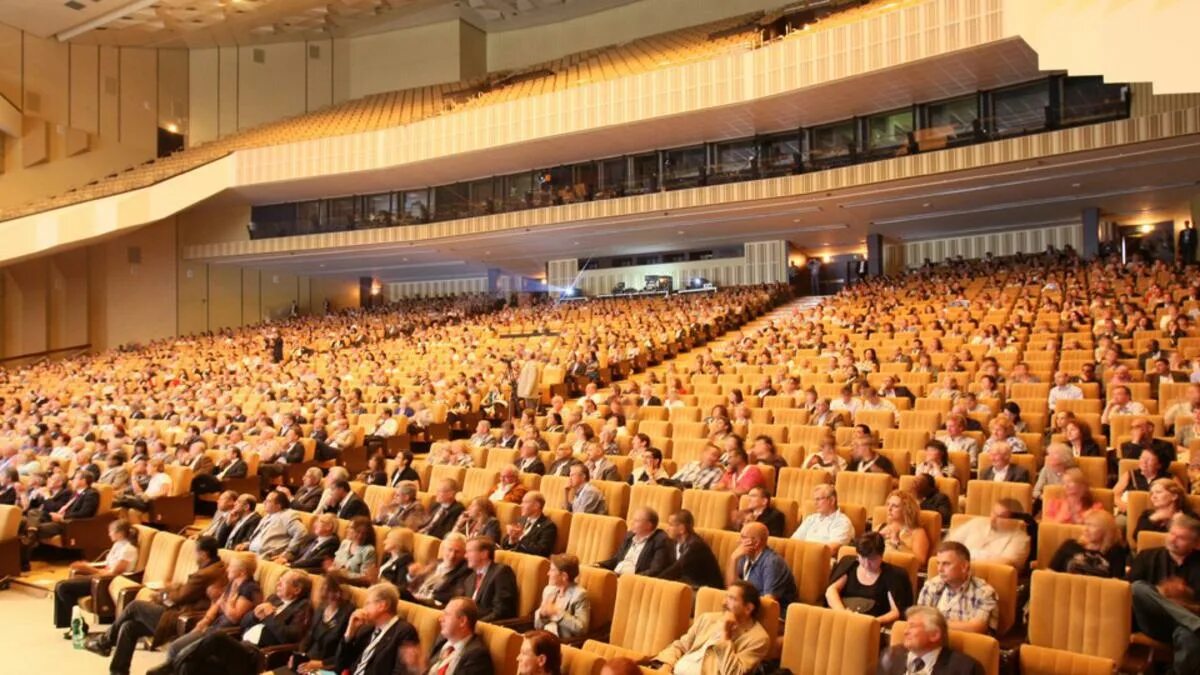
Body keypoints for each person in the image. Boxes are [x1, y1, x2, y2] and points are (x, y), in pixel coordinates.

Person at [85, 536, 227, 675]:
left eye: (195, 552)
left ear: (203, 554)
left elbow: (179, 597)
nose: (194, 555)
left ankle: (105, 642)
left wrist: (162, 596)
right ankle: (118, 670)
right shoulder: (216, 566)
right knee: (129, 627)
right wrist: (169, 591)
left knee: (135, 606)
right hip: (182, 610)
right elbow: (185, 591)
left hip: (181, 617)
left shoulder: (205, 574)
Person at [155, 555, 263, 671]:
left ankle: (168, 669)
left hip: (224, 635)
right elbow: (217, 604)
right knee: (176, 648)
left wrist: (224, 603)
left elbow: (234, 617)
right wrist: (206, 620)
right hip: (212, 628)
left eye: (231, 567)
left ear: (242, 572)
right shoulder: (233, 584)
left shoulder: (250, 588)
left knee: (178, 650)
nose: (227, 569)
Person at [1129, 514, 1200, 675]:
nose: (1173, 539)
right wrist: (1160, 595)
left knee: (1189, 637)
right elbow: (1125, 592)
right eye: (1172, 534)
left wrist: (1183, 603)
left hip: (1184, 626)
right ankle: (1197, 625)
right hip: (1152, 621)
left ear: (1196, 544)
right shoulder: (1147, 556)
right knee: (1138, 587)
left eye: (1181, 537)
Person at [650, 581, 771, 675]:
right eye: (726, 597)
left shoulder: (758, 639)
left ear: (748, 608)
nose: (724, 602)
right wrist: (667, 665)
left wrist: (726, 635)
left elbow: (733, 673)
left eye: (732, 599)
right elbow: (680, 645)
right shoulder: (708, 619)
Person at [52, 519, 138, 631]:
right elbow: (107, 564)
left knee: (64, 588)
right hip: (101, 576)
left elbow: (113, 573)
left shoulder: (129, 549)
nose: (109, 534)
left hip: (107, 581)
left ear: (120, 533)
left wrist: (88, 568)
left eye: (111, 531)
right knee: (59, 584)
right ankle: (70, 624)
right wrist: (88, 565)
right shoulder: (118, 545)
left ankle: (79, 625)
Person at [826, 532, 913, 627]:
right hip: (843, 619)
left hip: (874, 625)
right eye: (862, 558)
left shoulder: (893, 575)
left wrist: (871, 622)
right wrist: (843, 614)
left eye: (872, 559)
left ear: (881, 555)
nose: (866, 564)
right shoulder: (850, 565)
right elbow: (831, 591)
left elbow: (896, 612)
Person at [333, 582, 420, 675]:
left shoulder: (404, 632)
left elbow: (402, 673)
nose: (363, 608)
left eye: (367, 603)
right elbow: (340, 666)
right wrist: (349, 633)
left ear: (382, 605)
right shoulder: (367, 629)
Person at [917, 542, 999, 634]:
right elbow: (920, 620)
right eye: (938, 563)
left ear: (964, 566)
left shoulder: (984, 592)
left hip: (967, 645)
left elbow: (976, 629)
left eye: (946, 564)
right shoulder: (931, 585)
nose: (940, 569)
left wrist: (934, 623)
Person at [878, 606, 985, 675]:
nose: (905, 632)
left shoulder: (966, 668)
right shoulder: (891, 656)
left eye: (912, 626)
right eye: (906, 626)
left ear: (934, 635)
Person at [404, 597, 494, 675]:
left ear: (462, 621)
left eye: (446, 615)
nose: (440, 619)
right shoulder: (443, 641)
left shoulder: (477, 657)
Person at [289, 576, 352, 673]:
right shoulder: (321, 608)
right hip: (307, 662)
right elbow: (309, 636)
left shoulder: (348, 614)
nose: (324, 594)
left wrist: (321, 664)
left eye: (330, 591)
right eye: (324, 589)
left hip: (326, 668)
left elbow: (345, 653)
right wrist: (298, 656)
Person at [944, 499, 1031, 568]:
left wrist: (962, 561)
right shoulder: (977, 522)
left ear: (1013, 520)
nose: (993, 518)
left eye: (1000, 516)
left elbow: (1006, 564)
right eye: (993, 512)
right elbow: (948, 543)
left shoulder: (1020, 539)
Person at [728, 522, 797, 608]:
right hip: (748, 608)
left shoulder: (772, 563)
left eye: (743, 537)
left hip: (775, 615)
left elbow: (768, 603)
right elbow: (731, 588)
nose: (738, 541)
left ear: (756, 542)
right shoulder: (744, 556)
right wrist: (733, 559)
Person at [455, 536, 519, 623]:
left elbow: (501, 611)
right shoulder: (470, 578)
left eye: (469, 551)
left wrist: (475, 625)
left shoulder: (501, 572)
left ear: (484, 554)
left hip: (492, 626)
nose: (465, 556)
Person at [1049, 509, 1128, 578]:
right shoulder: (1070, 545)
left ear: (1105, 530)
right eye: (1085, 524)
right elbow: (1050, 572)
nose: (1086, 529)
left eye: (1092, 526)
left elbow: (1116, 585)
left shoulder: (1116, 553)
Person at [597, 507, 672, 577]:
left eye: (636, 521)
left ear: (648, 525)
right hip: (616, 575)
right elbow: (617, 559)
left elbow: (655, 570)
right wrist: (599, 565)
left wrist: (630, 578)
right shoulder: (629, 536)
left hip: (634, 581)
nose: (632, 523)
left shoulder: (660, 540)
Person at [661, 510, 725, 590]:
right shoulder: (674, 542)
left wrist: (655, 581)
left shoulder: (695, 546)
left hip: (705, 590)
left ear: (682, 529)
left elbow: (676, 570)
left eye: (670, 525)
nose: (667, 528)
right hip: (689, 584)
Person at [407, 533, 472, 608]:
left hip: (430, 605)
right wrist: (411, 575)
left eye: (457, 552)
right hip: (414, 598)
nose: (452, 555)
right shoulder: (436, 563)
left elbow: (455, 595)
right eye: (450, 549)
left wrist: (429, 597)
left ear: (464, 554)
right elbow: (412, 585)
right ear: (443, 549)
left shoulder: (464, 571)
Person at [238, 489, 307, 559]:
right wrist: (247, 544)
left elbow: (301, 533)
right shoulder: (267, 515)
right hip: (252, 552)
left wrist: (289, 552)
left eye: (268, 501)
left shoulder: (288, 515)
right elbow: (261, 536)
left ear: (278, 505)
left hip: (268, 555)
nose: (264, 502)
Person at [534, 554, 590, 639]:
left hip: (563, 642)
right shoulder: (548, 590)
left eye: (552, 570)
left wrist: (557, 612)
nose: (548, 573)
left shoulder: (580, 595)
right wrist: (542, 615)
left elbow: (581, 628)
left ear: (564, 576)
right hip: (544, 638)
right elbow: (537, 625)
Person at [1134, 478, 1195, 542]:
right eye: (1152, 493)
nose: (1153, 496)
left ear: (1174, 496)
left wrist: (1182, 523)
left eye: (1158, 492)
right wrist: (1154, 518)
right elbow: (1136, 538)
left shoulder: (1188, 516)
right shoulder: (1147, 514)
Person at [878, 490, 930, 565]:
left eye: (895, 506)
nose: (889, 509)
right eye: (888, 504)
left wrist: (897, 542)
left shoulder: (917, 532)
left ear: (906, 510)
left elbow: (919, 561)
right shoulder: (881, 527)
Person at [502, 491, 557, 557]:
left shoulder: (548, 526)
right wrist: (511, 539)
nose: (521, 505)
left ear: (536, 506)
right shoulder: (522, 520)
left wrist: (521, 537)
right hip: (512, 556)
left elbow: (542, 551)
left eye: (525, 502)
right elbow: (504, 546)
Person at [330, 516, 378, 585]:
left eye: (351, 528)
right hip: (336, 581)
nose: (348, 530)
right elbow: (336, 564)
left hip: (351, 585)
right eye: (349, 527)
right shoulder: (345, 543)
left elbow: (366, 577)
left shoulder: (369, 550)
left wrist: (346, 574)